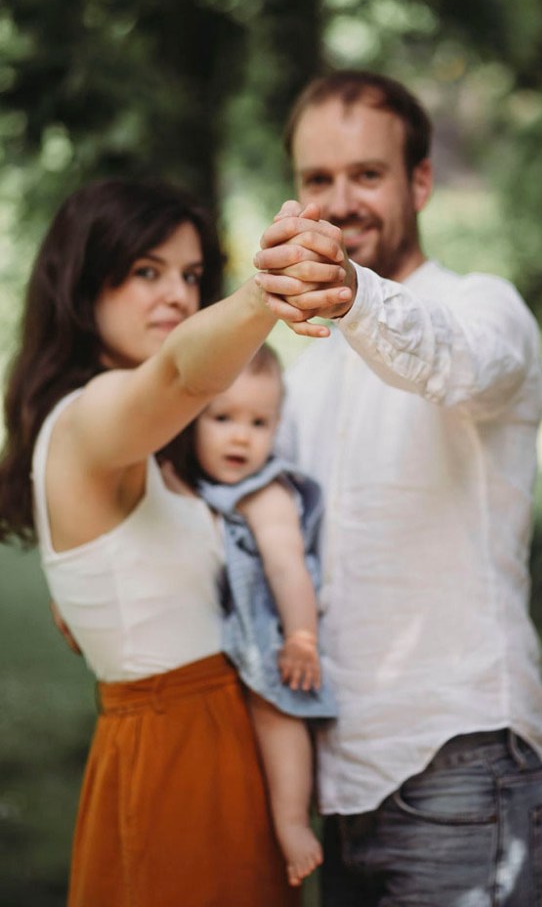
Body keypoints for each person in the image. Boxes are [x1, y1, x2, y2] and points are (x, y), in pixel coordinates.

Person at [254, 70, 542, 907]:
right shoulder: (305, 377)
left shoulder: (484, 308)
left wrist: (349, 293)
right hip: (338, 790)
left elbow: (453, 359)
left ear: (420, 181)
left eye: (367, 174)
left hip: (461, 760)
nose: (341, 200)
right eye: (318, 179)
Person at [0, 178, 349, 907]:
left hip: (216, 741)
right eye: (145, 272)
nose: (176, 296)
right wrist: (265, 294)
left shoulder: (157, 450)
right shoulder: (91, 415)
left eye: (190, 275)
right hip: (174, 753)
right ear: (83, 284)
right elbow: (181, 372)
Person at [176, 343, 336, 887]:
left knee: (276, 711)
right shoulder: (193, 487)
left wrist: (300, 637)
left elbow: (289, 568)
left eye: (259, 422)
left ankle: (293, 822)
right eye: (222, 418)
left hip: (270, 634)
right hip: (219, 647)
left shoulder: (265, 493)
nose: (242, 436)